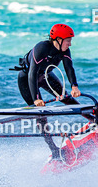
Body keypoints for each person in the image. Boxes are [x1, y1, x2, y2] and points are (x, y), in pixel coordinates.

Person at [15, 24, 82, 160]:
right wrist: (36, 99)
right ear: (58, 39)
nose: (70, 44)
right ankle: (54, 149)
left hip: (45, 75)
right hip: (27, 79)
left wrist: (74, 86)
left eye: (70, 40)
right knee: (40, 114)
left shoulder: (65, 50)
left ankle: (96, 119)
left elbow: (69, 68)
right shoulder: (42, 48)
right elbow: (32, 74)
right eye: (68, 40)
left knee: (67, 99)